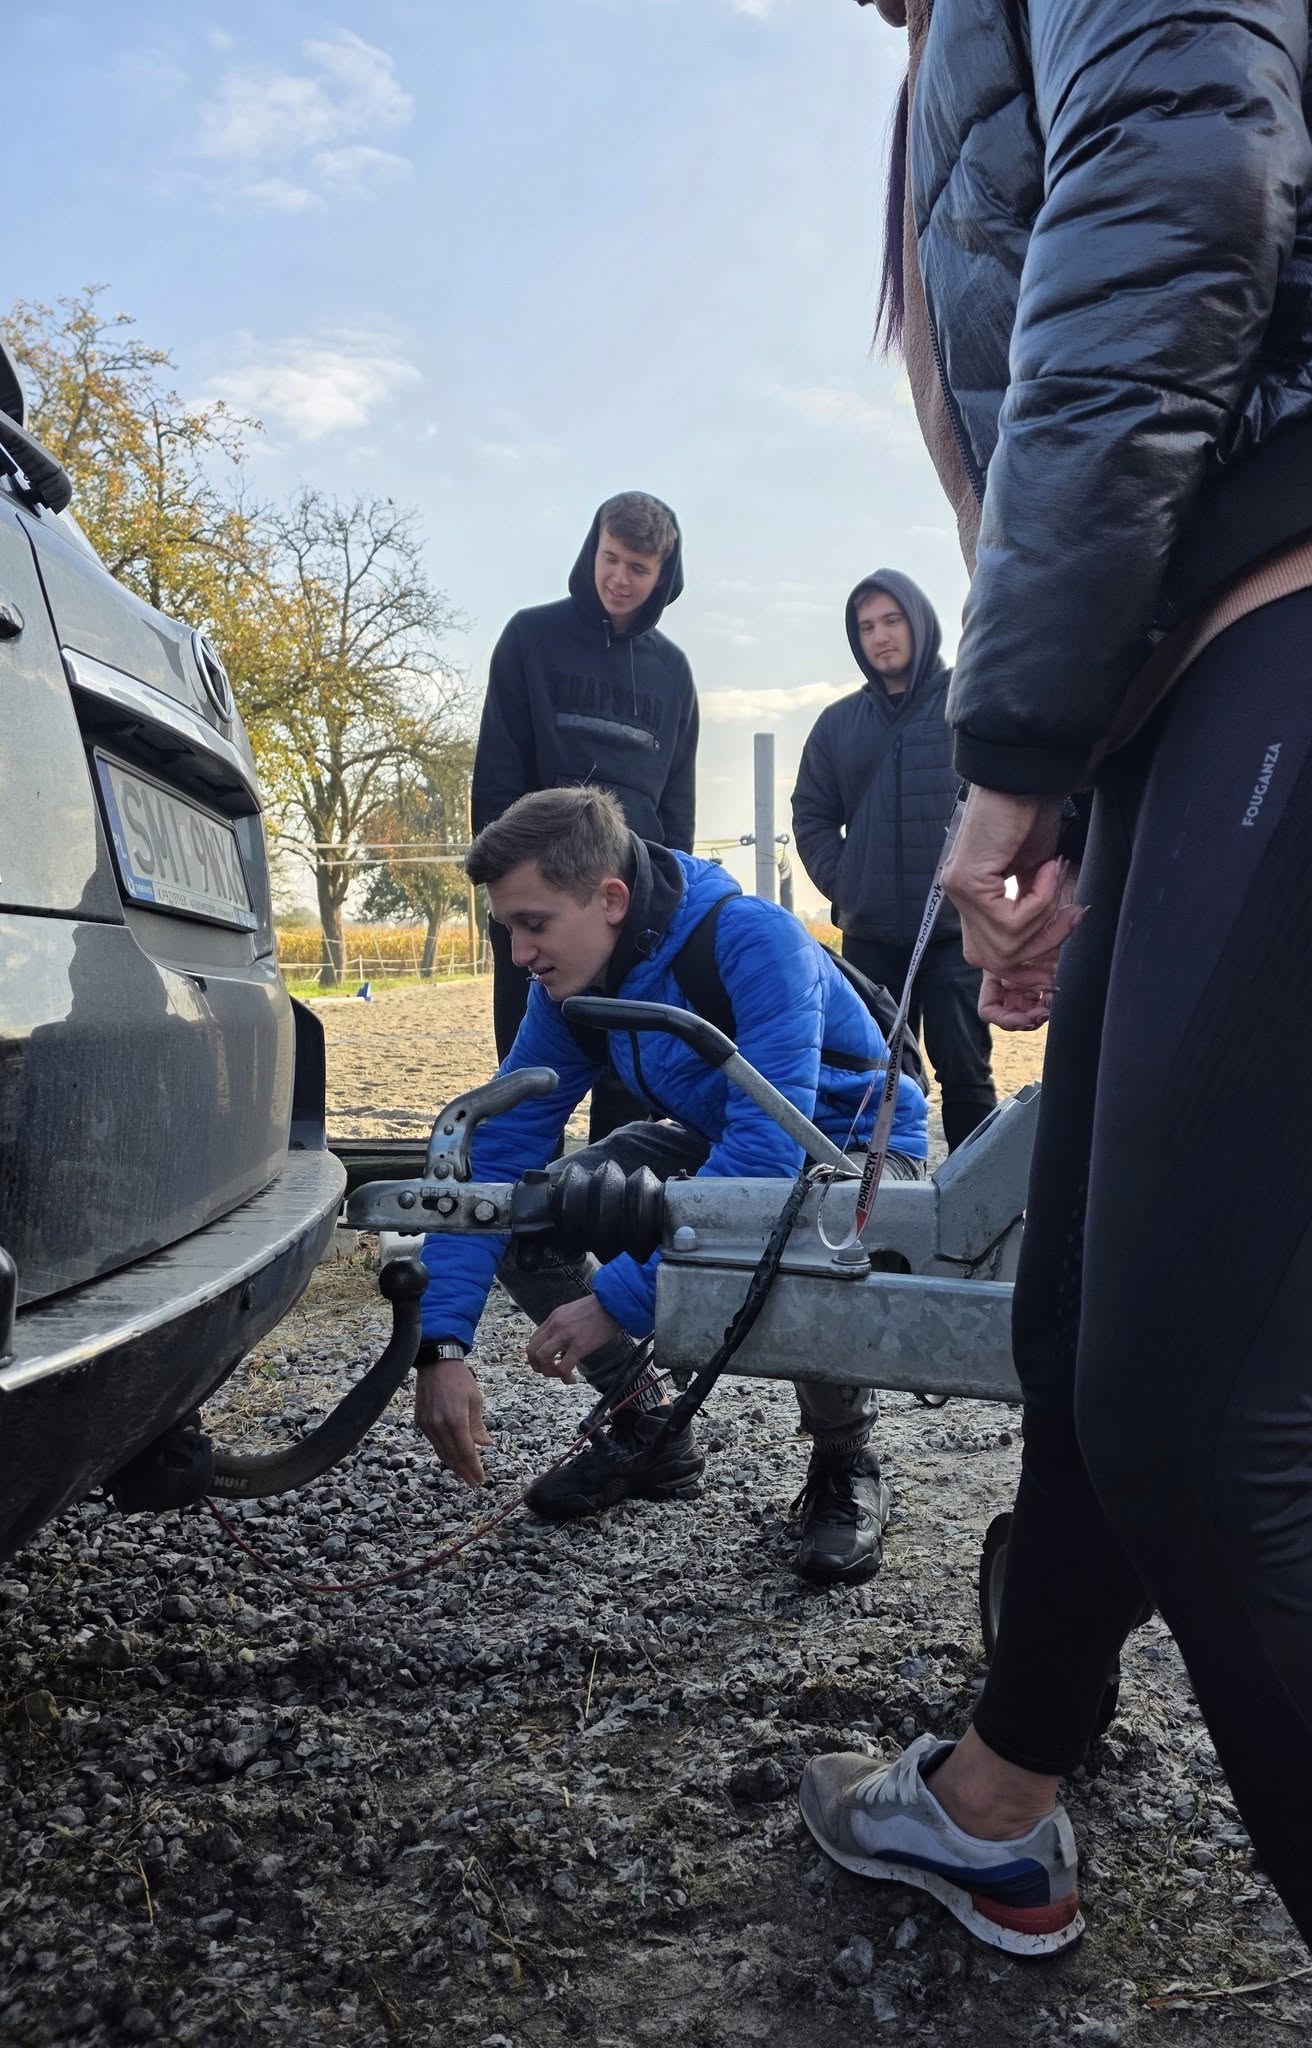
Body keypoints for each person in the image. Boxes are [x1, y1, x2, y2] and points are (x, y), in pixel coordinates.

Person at [804, 5, 1312, 2043]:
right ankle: (1000, 1798)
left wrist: (1016, 746)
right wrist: (1093, 797)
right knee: (1080, 1342)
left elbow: (1179, 197)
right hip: (1231, 667)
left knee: (1198, 1434)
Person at [412, 785, 929, 1585]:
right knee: (536, 1208)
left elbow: (768, 1164)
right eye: (507, 928)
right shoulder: (569, 989)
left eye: (533, 923)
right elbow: (499, 1155)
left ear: (611, 899)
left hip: (853, 1148)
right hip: (727, 1134)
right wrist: (441, 1344)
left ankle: (844, 1462)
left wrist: (616, 1301)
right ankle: (648, 1424)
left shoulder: (753, 941)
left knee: (815, 1224)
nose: (518, 954)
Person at [472, 491, 699, 1138]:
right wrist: (507, 902)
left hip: (630, 910)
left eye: (639, 568)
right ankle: (517, 1199)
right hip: (539, 903)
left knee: (632, 1085)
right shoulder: (529, 638)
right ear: (591, 550)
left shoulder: (673, 672)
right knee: (526, 1080)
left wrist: (670, 899)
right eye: (611, 558)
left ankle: (617, 1200)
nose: (620, 579)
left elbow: (676, 802)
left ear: (664, 576)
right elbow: (497, 774)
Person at [792, 571, 996, 1152]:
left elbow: (1004, 796)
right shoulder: (837, 724)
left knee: (967, 1077)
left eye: (891, 620)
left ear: (918, 621)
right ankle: (881, 1202)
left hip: (957, 933)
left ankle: (976, 1203)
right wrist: (848, 884)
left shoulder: (968, 702)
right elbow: (811, 814)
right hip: (872, 939)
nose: (880, 636)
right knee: (875, 1080)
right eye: (866, 627)